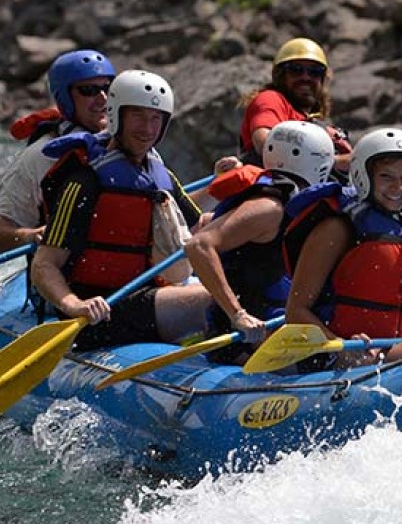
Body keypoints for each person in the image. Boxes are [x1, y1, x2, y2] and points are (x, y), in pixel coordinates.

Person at [31, 70, 212, 351]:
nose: (148, 128)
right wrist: (75, 305)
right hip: (99, 310)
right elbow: (44, 264)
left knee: (236, 290)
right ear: (117, 115)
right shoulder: (85, 180)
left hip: (147, 294)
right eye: (138, 116)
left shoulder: (159, 173)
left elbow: (201, 224)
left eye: (156, 119)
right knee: (209, 299)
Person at [283, 127, 402, 367]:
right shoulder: (337, 228)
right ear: (363, 176)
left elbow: (386, 320)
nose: (397, 187)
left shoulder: (401, 229)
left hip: (380, 351)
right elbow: (296, 311)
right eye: (386, 177)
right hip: (334, 358)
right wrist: (340, 348)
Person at [184, 120, 336, 363]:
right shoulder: (269, 207)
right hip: (247, 341)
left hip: (280, 331)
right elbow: (198, 246)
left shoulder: (294, 202)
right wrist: (238, 315)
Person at [0, 49, 115, 251]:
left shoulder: (133, 142)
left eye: (108, 87)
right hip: (61, 276)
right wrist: (28, 236)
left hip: (136, 273)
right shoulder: (38, 156)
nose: (103, 98)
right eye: (88, 90)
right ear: (65, 98)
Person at [238, 37, 352, 177]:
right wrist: (336, 162)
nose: (306, 77)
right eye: (296, 70)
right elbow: (266, 145)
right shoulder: (270, 99)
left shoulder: (315, 122)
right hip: (274, 187)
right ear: (281, 75)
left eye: (315, 72)